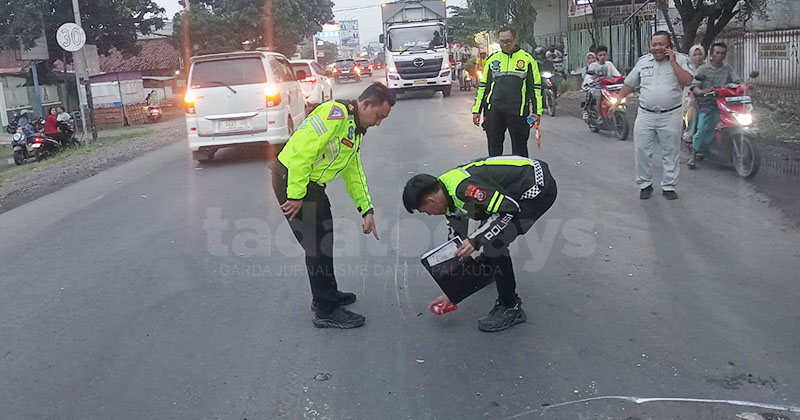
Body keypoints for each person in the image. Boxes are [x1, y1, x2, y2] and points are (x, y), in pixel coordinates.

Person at [271, 83, 396, 329]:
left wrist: (366, 209)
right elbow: (302, 155)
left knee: (324, 240)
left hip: (311, 185)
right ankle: (325, 309)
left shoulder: (354, 128)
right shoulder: (334, 115)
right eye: (379, 116)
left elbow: (353, 171)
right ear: (366, 104)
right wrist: (296, 195)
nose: (378, 123)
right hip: (293, 180)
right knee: (316, 246)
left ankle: (328, 294)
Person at [403, 156, 557, 332]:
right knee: (484, 233)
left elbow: (508, 209)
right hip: (510, 193)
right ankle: (490, 270)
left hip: (536, 188)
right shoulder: (446, 196)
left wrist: (477, 241)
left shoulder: (463, 189)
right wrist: (453, 293)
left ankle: (510, 306)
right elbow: (457, 248)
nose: (428, 215)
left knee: (494, 243)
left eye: (425, 212)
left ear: (431, 201)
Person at [617, 31, 693, 200]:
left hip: (671, 114)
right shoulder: (643, 62)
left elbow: (687, 81)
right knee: (642, 150)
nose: (657, 48)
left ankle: (669, 186)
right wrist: (616, 103)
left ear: (669, 46)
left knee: (670, 151)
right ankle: (645, 184)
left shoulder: (681, 60)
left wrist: (673, 62)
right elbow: (629, 84)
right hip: (645, 114)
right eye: (654, 44)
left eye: (661, 44)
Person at [472, 27, 543, 158]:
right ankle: (495, 176)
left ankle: (520, 176)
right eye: (502, 41)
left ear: (516, 39)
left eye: (508, 41)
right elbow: (483, 87)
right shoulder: (492, 60)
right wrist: (477, 110)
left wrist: (537, 112)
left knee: (520, 149)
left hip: (518, 111)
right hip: (494, 110)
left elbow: (535, 88)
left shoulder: (528, 59)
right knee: (494, 150)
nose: (505, 44)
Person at [688, 42, 741, 169]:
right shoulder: (703, 69)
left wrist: (743, 85)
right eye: (717, 53)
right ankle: (693, 155)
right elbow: (694, 86)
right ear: (711, 54)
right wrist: (701, 92)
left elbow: (737, 80)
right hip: (707, 103)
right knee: (702, 129)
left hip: (725, 103)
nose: (720, 55)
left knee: (735, 124)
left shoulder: (728, 68)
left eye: (723, 53)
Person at [586, 45, 621, 125]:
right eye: (600, 55)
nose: (602, 57)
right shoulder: (593, 65)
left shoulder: (609, 64)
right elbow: (589, 77)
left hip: (608, 87)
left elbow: (617, 74)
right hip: (597, 87)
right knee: (599, 97)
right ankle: (600, 116)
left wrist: (621, 78)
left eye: (604, 55)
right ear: (597, 56)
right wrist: (592, 81)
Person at [682, 45, 706, 146]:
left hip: (707, 96)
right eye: (695, 55)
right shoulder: (686, 69)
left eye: (700, 54)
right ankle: (689, 133)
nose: (698, 57)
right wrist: (692, 97)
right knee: (693, 107)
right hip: (689, 97)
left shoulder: (708, 68)